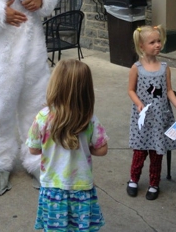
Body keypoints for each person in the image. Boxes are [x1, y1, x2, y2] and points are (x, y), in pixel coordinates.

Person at [26, 59, 109, 231]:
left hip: (52, 186)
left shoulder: (42, 117)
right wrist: (86, 147)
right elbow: (102, 149)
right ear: (85, 90)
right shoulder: (89, 118)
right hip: (81, 186)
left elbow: (33, 149)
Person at [127, 25, 176, 201]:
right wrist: (138, 104)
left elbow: (169, 90)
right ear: (142, 46)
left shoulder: (165, 67)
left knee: (157, 153)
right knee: (140, 151)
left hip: (160, 118)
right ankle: (133, 179)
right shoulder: (136, 67)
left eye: (159, 41)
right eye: (152, 42)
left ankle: (154, 183)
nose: (157, 45)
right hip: (143, 119)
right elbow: (130, 90)